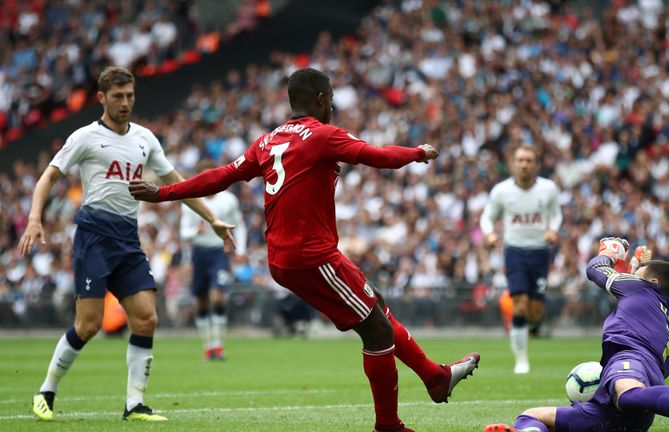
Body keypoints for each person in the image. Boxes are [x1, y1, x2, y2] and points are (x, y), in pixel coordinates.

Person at [129, 67, 480, 432]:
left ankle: (433, 377)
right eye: (332, 100)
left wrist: (165, 192)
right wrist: (418, 152)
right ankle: (388, 424)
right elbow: (377, 156)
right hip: (311, 256)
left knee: (376, 303)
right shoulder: (323, 135)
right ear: (323, 99)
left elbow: (222, 175)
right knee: (377, 331)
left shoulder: (267, 141)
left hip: (285, 257)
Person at [19, 66, 235, 422]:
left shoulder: (146, 139)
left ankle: (134, 403)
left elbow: (177, 182)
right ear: (102, 98)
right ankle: (46, 390)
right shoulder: (86, 137)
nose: (125, 103)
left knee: (146, 318)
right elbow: (49, 177)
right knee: (88, 325)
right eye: (118, 96)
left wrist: (211, 218)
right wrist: (33, 218)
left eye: (130, 96)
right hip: (94, 235)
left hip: (128, 237)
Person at [484, 238, 669, 432]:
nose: (633, 275)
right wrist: (636, 264)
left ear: (651, 282)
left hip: (629, 362)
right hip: (632, 416)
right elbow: (633, 294)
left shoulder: (640, 290)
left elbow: (595, 269)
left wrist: (611, 251)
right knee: (532, 417)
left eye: (638, 274)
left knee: (627, 392)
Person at [479, 146, 562, 374]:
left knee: (534, 313)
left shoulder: (548, 189)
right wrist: (490, 234)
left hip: (540, 252)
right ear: (513, 164)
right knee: (520, 306)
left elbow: (556, 214)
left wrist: (553, 230)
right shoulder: (501, 191)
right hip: (514, 251)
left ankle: (525, 323)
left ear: (536, 164)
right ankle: (521, 360)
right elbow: (487, 216)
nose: (524, 164)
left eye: (529, 160)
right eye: (520, 160)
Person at [180, 161, 246, 360]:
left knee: (217, 296)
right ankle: (208, 346)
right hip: (200, 252)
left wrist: (240, 250)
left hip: (220, 251)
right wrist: (195, 232)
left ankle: (218, 345)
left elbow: (239, 225)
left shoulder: (228, 200)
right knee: (201, 301)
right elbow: (184, 232)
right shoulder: (192, 199)